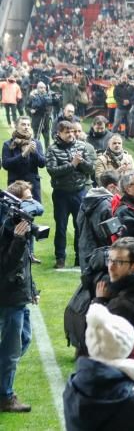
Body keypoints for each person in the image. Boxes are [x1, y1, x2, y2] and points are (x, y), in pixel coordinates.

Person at [0, 192, 34, 413]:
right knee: (11, 350)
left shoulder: (10, 226)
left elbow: (24, 264)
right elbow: (6, 264)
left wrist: (32, 290)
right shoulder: (8, 232)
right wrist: (19, 240)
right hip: (9, 296)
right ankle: (6, 396)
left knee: (24, 338)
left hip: (19, 294)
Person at [47, 120, 96, 269]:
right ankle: (60, 258)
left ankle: (78, 258)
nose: (70, 135)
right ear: (59, 133)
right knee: (61, 227)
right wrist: (72, 164)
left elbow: (91, 170)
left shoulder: (82, 146)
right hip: (61, 193)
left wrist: (81, 163)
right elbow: (52, 171)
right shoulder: (52, 149)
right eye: (67, 132)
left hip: (79, 192)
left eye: (72, 132)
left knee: (79, 227)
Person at [78, 172, 120, 282]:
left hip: (86, 250)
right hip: (100, 256)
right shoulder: (107, 205)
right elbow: (110, 235)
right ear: (112, 187)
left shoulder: (87, 200)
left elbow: (78, 223)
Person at [2, 116, 46, 204]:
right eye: (23, 124)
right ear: (16, 126)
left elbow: (42, 163)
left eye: (28, 125)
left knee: (32, 212)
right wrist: (23, 155)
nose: (26, 127)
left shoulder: (36, 143)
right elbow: (6, 164)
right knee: (15, 212)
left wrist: (35, 152)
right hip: (15, 185)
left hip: (32, 184)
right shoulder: (8, 144)